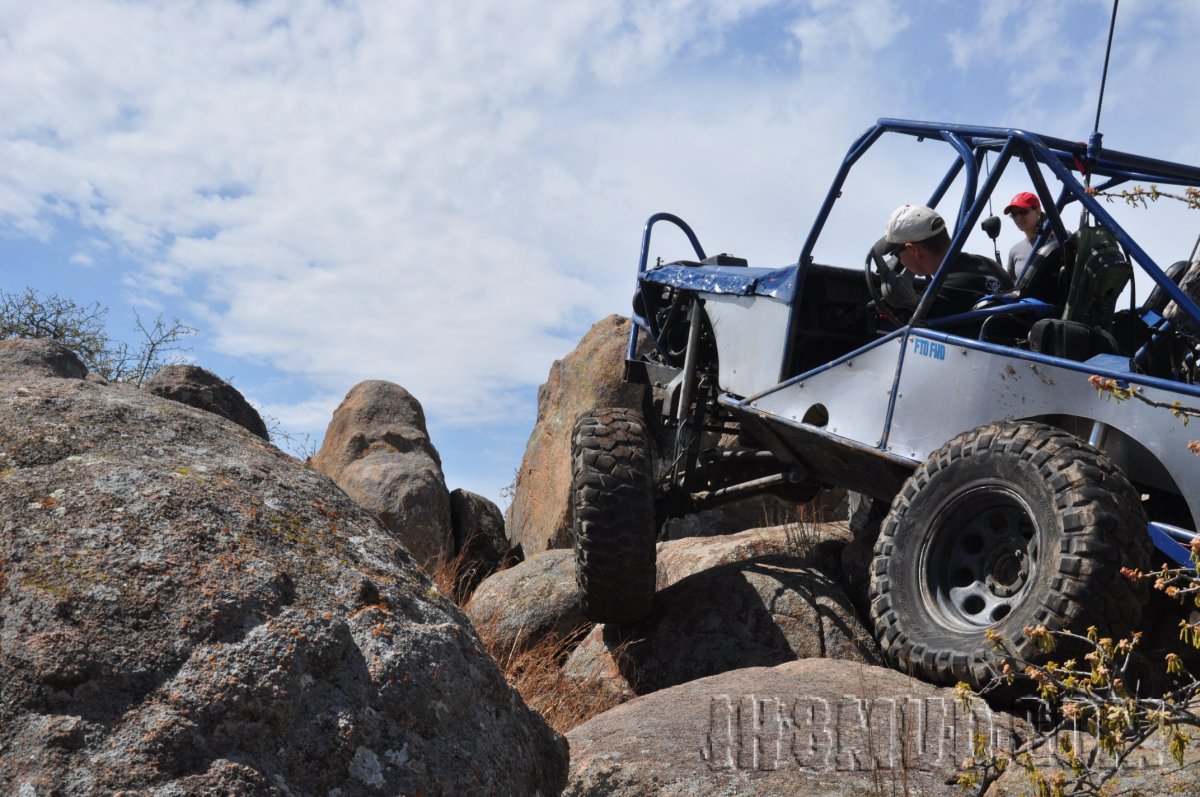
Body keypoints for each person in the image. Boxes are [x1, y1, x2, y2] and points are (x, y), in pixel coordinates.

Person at [872, 204, 1012, 317]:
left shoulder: (940, 293)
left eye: (895, 252)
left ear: (914, 250)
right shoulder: (991, 265)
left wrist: (911, 303)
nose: (898, 260)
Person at [1004, 191, 1044, 282]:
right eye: (1014, 214)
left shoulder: (1059, 239)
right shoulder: (1014, 251)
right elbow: (1011, 286)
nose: (1018, 217)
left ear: (1038, 211)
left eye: (1023, 211)